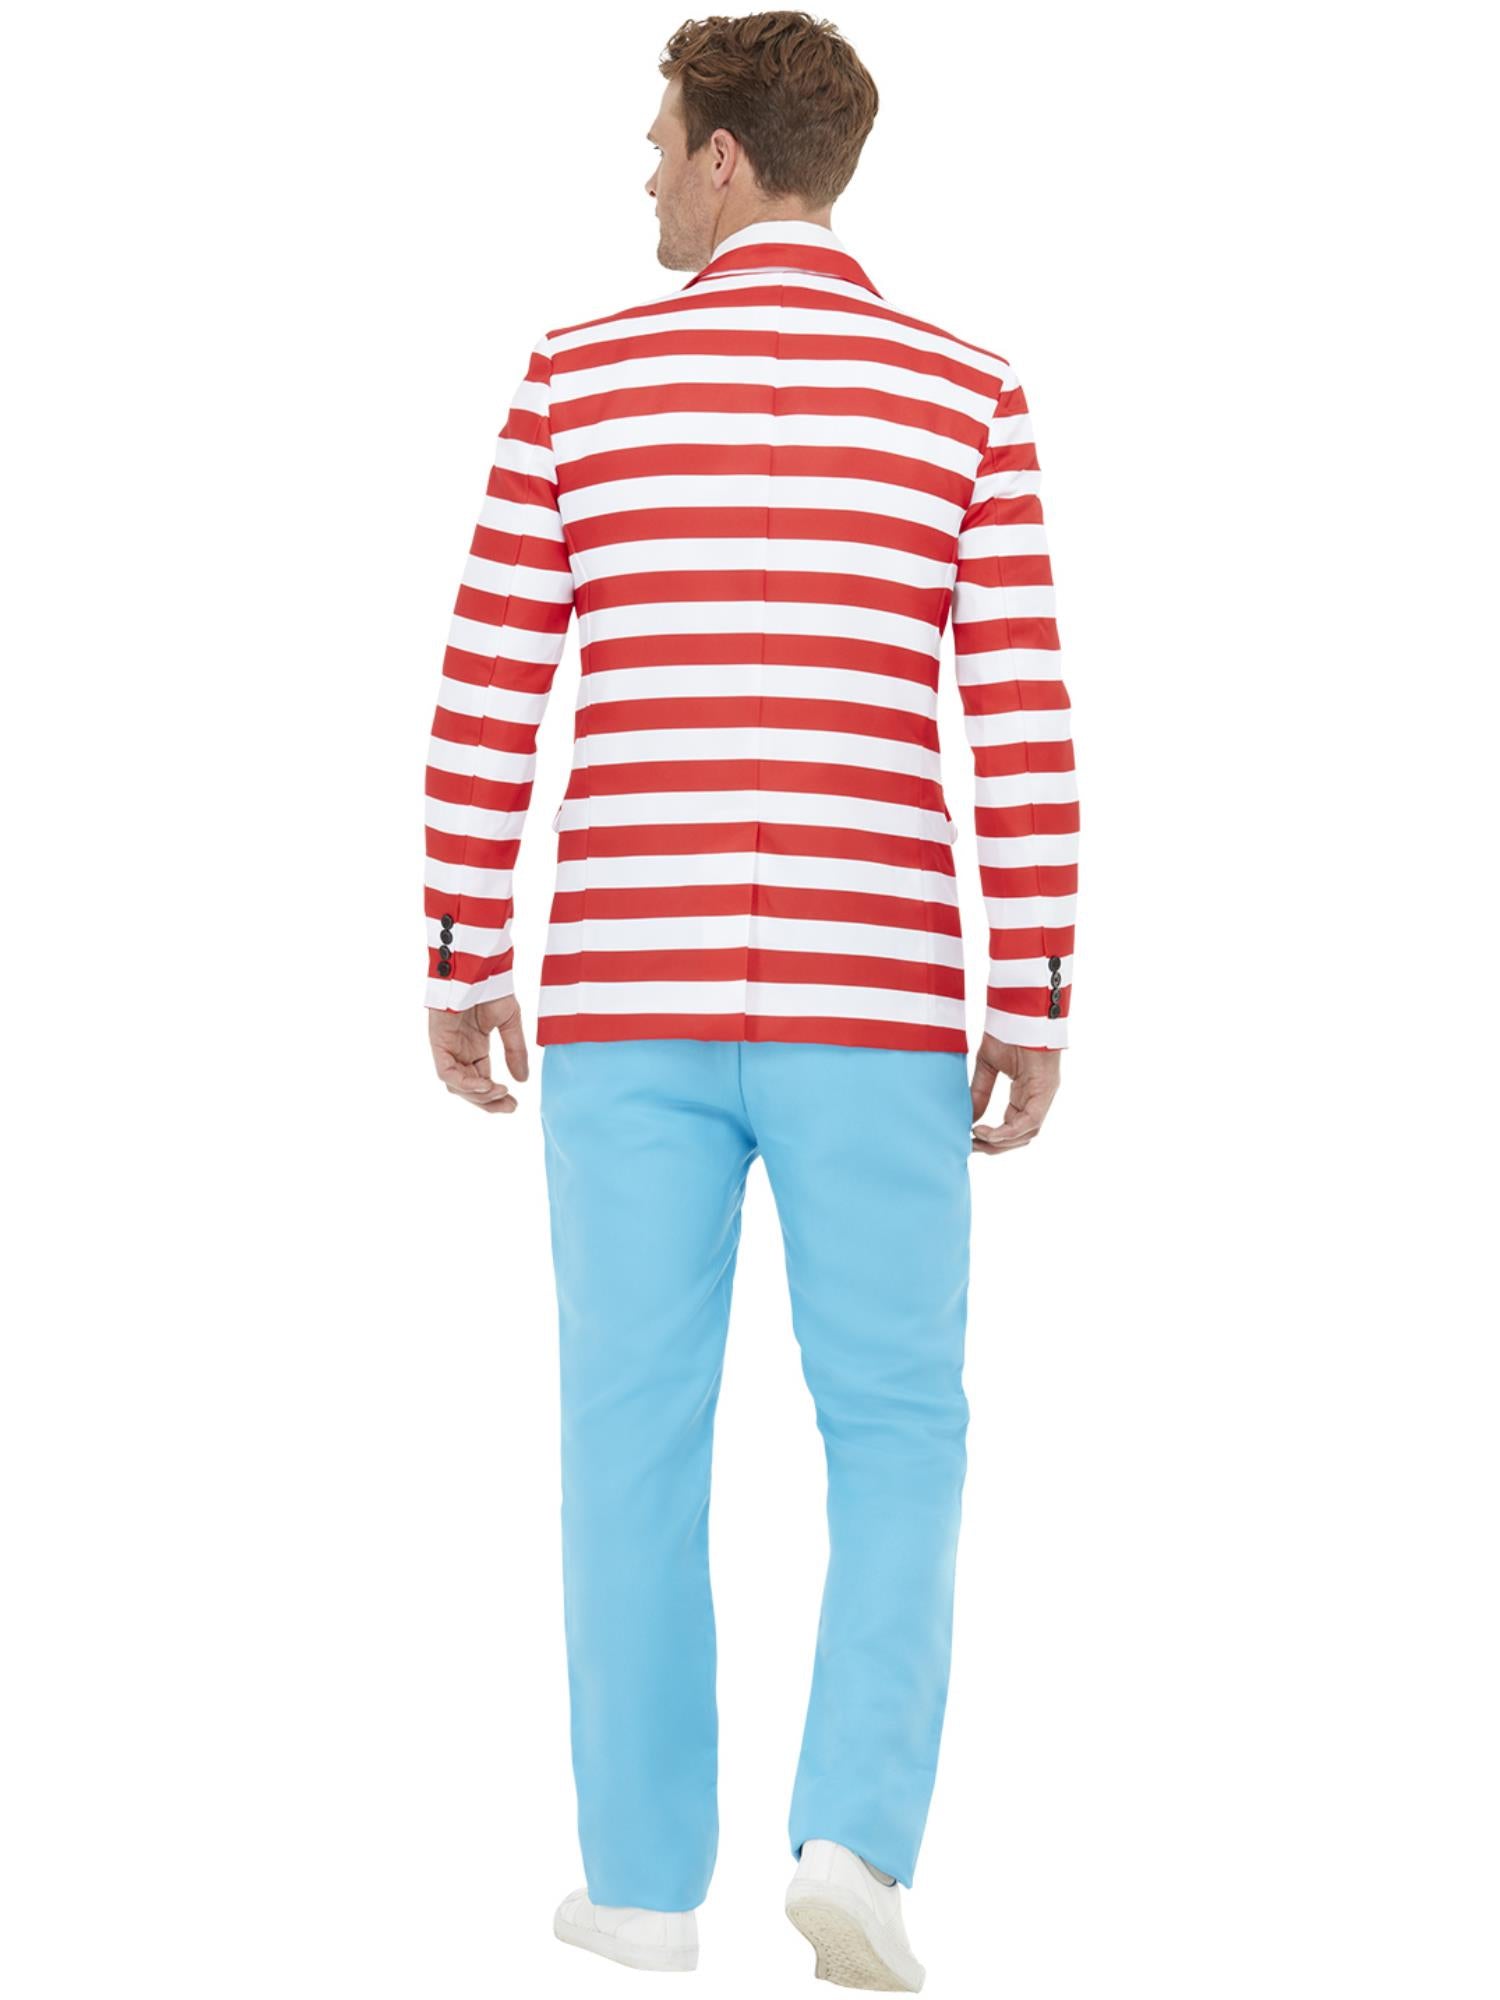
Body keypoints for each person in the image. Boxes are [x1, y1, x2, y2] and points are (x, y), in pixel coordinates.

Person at [422, 12, 1077, 1988]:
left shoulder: (577, 376)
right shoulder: (967, 393)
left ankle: (640, 1890)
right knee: (899, 1421)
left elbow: (491, 680)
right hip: (878, 993)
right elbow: (1019, 714)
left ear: (726, 157)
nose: (642, 169)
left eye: (658, 139)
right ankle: (858, 1843)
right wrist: (1035, 983)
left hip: (627, 983)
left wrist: (462, 949)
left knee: (628, 1426)